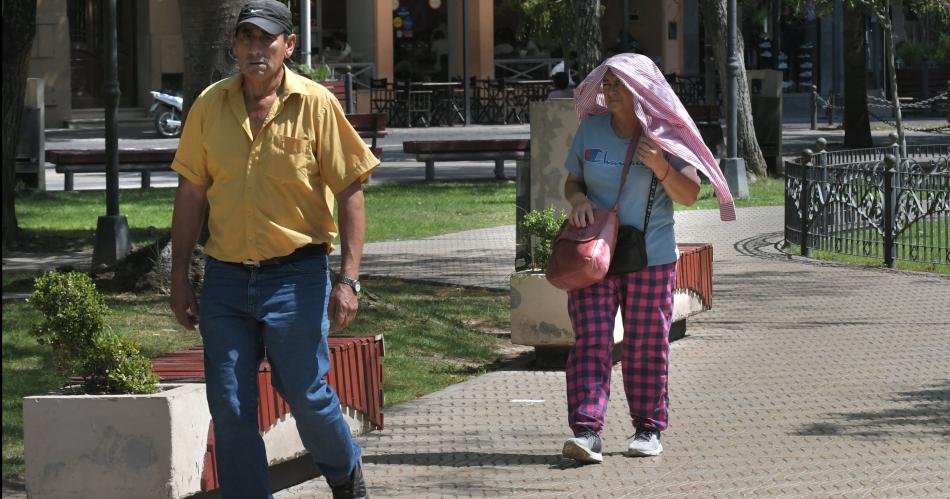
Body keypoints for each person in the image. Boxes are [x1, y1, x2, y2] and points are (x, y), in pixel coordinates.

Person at [168, 1, 378, 497]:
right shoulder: (209, 105)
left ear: (289, 45)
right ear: (235, 46)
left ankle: (345, 471)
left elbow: (350, 190)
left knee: (304, 394)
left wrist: (348, 278)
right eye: (246, 38)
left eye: (266, 38)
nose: (255, 48)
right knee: (232, 404)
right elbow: (191, 193)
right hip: (225, 278)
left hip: (297, 277)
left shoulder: (316, 104)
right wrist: (179, 276)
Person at [559, 53, 735, 464]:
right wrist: (579, 199)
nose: (609, 90)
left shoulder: (665, 136)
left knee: (646, 344)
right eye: (606, 83)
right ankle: (587, 431)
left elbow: (689, 196)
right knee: (591, 340)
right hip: (594, 257)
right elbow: (572, 181)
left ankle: (648, 428)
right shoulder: (591, 130)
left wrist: (660, 166)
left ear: (640, 89)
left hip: (651, 257)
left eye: (618, 84)